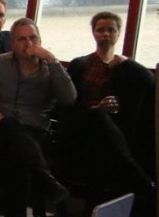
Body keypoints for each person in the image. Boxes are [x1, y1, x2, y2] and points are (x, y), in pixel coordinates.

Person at [0, 18, 75, 217]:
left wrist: (53, 61)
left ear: (40, 40)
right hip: (1, 133)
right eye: (22, 39)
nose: (28, 44)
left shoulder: (50, 69)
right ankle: (47, 183)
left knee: (19, 163)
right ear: (13, 43)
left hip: (37, 135)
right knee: (9, 127)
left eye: (33, 38)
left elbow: (69, 98)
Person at [61, 11, 155, 198]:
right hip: (82, 125)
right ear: (94, 33)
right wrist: (96, 109)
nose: (105, 34)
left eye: (111, 30)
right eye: (100, 30)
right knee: (99, 116)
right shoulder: (80, 64)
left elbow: (150, 80)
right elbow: (68, 104)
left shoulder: (124, 67)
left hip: (113, 130)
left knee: (108, 131)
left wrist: (128, 61)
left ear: (118, 34)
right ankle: (142, 181)